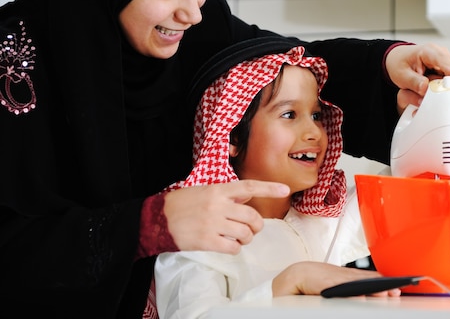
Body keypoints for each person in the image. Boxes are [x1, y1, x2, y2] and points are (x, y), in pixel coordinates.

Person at [0, 0, 450, 317]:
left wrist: (387, 67)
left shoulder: (195, 30)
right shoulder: (14, 64)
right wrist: (146, 225)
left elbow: (276, 67)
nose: (194, 12)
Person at [154, 38, 399, 318]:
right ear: (232, 135)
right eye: (289, 114)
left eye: (317, 115)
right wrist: (290, 282)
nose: (314, 133)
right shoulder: (196, 238)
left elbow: (404, 185)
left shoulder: (326, 214)